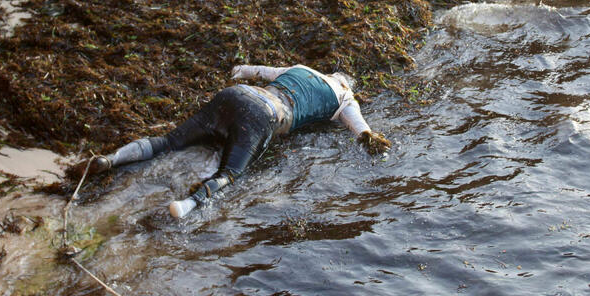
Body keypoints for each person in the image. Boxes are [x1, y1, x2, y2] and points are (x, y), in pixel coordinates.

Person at [73, 64, 391, 218]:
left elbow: (257, 70)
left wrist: (239, 70)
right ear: (346, 85)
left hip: (236, 94)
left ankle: (111, 159)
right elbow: (362, 131)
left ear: (331, 73)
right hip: (265, 115)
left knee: (167, 142)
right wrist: (370, 140)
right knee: (230, 174)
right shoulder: (346, 100)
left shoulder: (302, 68)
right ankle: (186, 205)